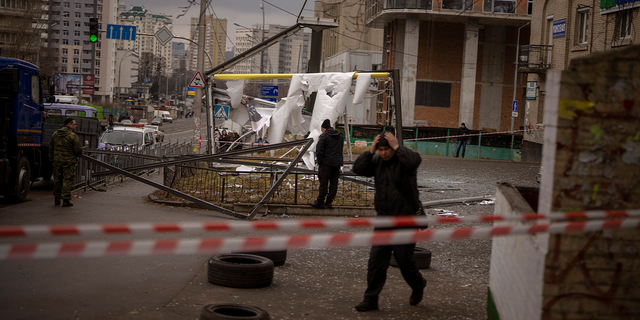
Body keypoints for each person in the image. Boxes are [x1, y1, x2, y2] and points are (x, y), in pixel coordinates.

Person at [351, 131, 427, 312]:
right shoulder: (377, 161)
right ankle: (371, 299)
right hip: (383, 219)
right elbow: (358, 169)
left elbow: (415, 161)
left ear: (392, 147)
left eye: (387, 149)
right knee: (376, 261)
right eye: (381, 149)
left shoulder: (404, 161)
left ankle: (418, 284)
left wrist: (397, 147)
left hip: (404, 219)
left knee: (404, 261)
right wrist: (370, 152)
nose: (384, 153)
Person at [49, 117, 83, 207]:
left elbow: (51, 148)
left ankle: (56, 199)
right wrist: (76, 155)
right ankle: (66, 200)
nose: (75, 126)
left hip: (57, 161)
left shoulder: (55, 134)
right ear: (69, 125)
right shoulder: (72, 136)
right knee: (67, 180)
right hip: (69, 162)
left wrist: (52, 159)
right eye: (74, 124)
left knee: (57, 180)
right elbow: (79, 149)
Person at [310, 119, 344, 209]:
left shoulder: (324, 136)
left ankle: (320, 202)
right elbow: (340, 149)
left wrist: (320, 162)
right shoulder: (340, 136)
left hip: (326, 163)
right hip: (336, 164)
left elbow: (319, 150)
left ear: (323, 128)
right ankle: (329, 202)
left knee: (323, 183)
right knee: (333, 183)